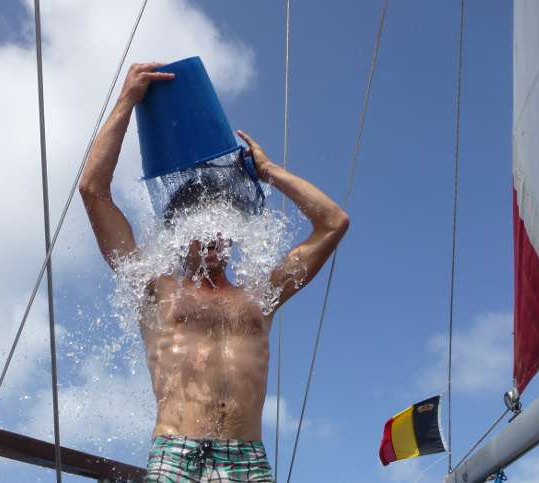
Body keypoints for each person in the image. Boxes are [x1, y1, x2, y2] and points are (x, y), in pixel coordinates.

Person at [79, 62, 349, 482]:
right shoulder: (153, 288)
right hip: (176, 451)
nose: (211, 235)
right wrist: (127, 101)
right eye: (199, 225)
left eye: (221, 224)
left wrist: (271, 173)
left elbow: (333, 223)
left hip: (247, 456)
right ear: (179, 233)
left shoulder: (260, 295)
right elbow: (93, 191)